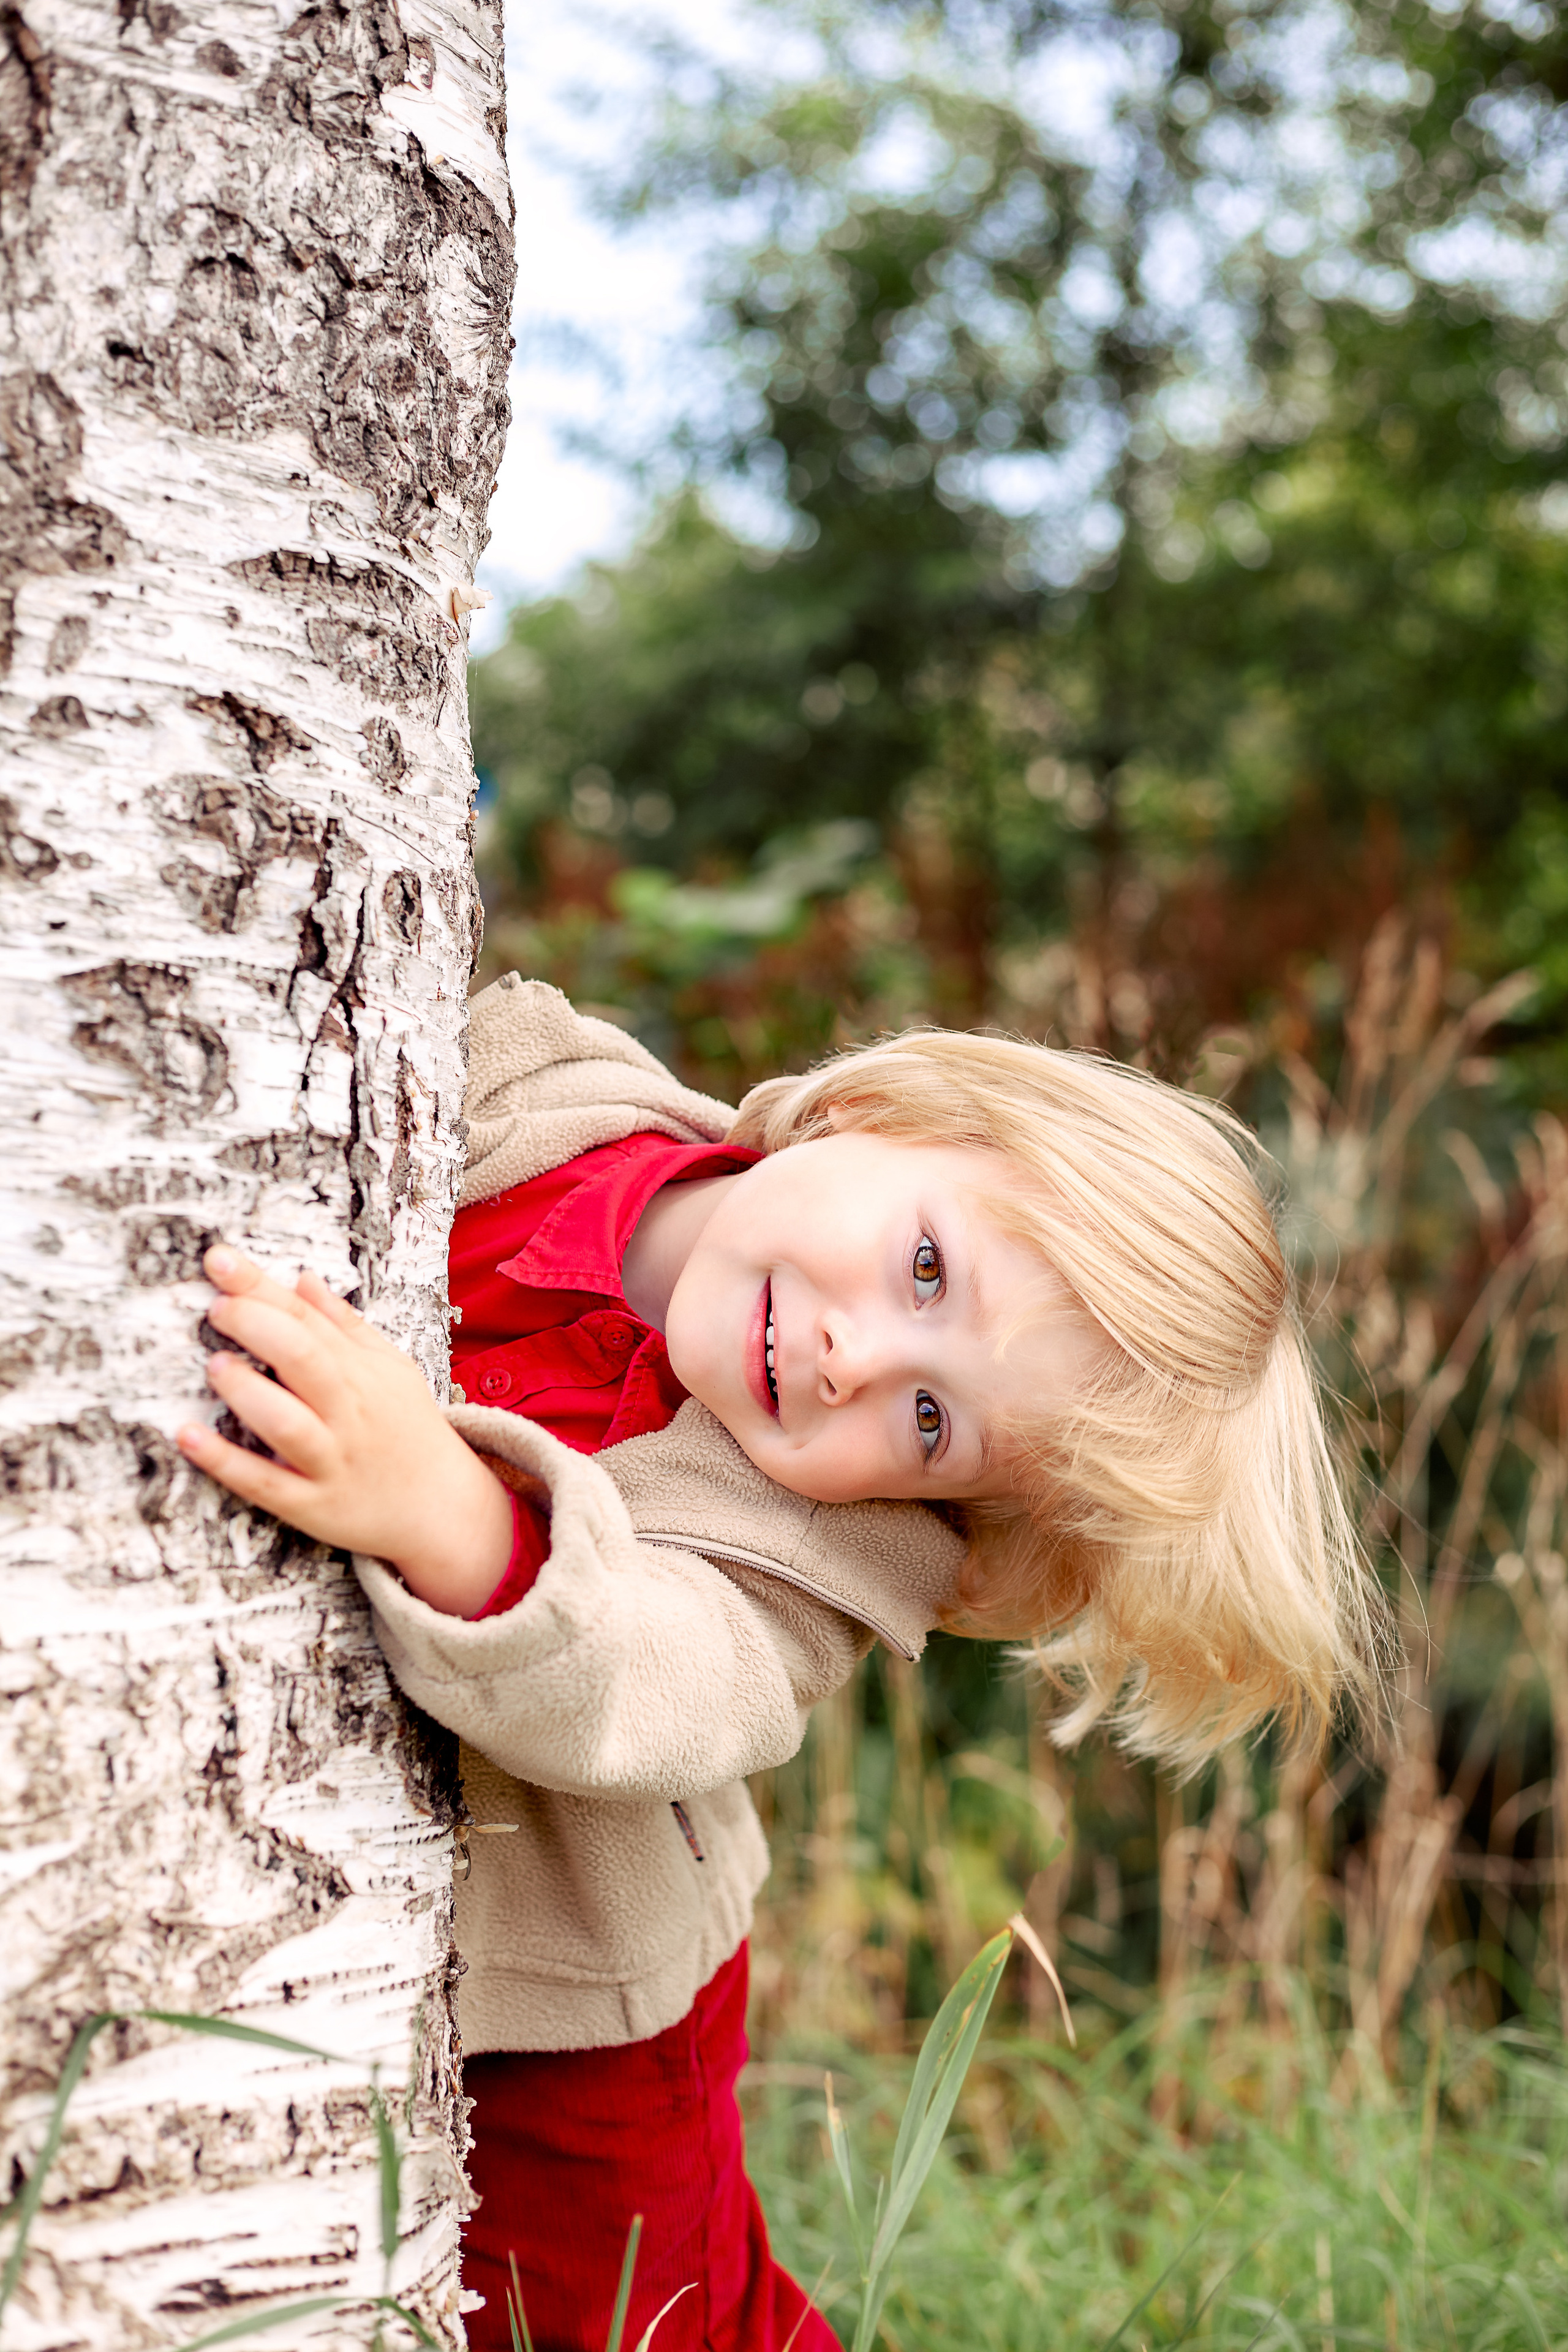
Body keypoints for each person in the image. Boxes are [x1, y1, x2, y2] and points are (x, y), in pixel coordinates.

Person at [176, 975, 1388, 2351]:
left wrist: (447, 1515)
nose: (852, 1358)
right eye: (925, 1269)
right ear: (883, 1109)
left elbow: (658, 1668)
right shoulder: (538, 1089)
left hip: (580, 2015)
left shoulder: (824, 1549)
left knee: (651, 2324)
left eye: (929, 1421)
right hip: (337, 1912)